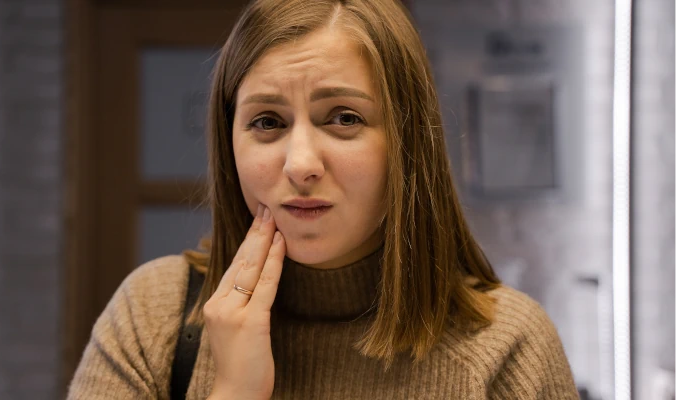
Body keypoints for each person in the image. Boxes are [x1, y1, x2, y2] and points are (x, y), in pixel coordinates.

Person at [68, 0, 579, 398]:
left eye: (344, 118)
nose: (300, 164)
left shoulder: (508, 348)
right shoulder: (151, 317)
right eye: (267, 122)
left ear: (406, 144)